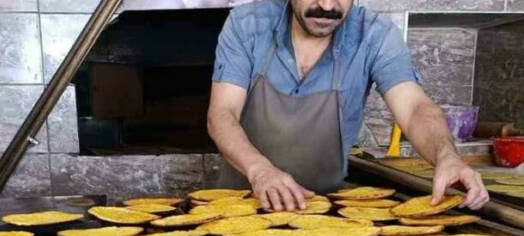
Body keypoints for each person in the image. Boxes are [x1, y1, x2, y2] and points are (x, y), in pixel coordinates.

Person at [207, 0, 489, 212]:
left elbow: (415, 108)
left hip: (325, 212)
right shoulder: (247, 25)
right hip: (241, 204)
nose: (328, 6)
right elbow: (222, 114)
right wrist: (260, 170)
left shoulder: (375, 35)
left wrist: (447, 156)